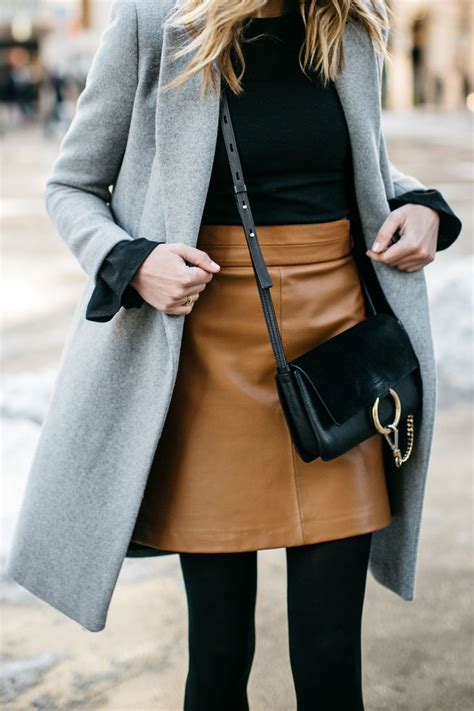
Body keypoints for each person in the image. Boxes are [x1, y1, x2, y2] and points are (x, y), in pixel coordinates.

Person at [6, 2, 462, 710]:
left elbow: (365, 166)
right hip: (208, 355)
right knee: (220, 652)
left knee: (331, 650)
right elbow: (72, 186)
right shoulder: (156, 24)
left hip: (339, 358)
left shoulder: (346, 25)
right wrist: (134, 260)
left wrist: (424, 207)